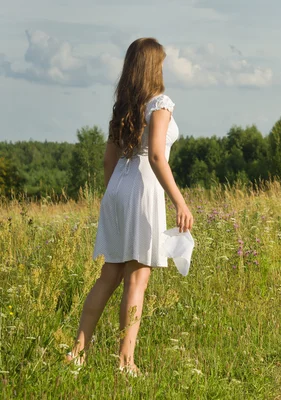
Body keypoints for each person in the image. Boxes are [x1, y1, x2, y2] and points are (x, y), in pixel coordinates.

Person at [66, 38, 194, 375]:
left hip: (118, 189)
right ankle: (125, 362)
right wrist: (179, 200)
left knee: (108, 276)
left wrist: (114, 200)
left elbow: (109, 160)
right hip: (143, 187)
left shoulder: (123, 107)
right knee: (136, 281)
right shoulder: (160, 103)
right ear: (154, 67)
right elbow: (155, 155)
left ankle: (78, 353)